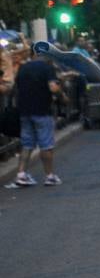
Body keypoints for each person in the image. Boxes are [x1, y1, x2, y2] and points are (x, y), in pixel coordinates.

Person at [4, 46, 64, 188]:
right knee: (46, 145)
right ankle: (49, 176)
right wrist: (61, 95)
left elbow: (15, 88)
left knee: (27, 144)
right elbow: (53, 88)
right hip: (42, 110)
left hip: (25, 111)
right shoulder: (47, 68)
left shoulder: (23, 68)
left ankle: (21, 175)